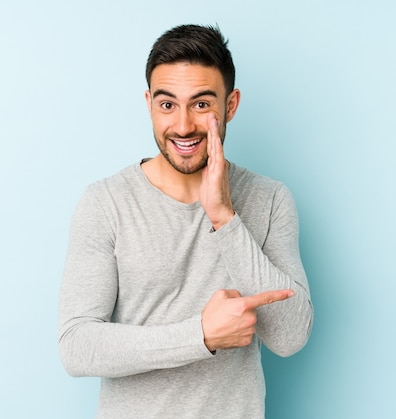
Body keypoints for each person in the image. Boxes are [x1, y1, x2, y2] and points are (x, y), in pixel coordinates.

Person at [58, 24, 313, 418]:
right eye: (167, 105)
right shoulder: (106, 202)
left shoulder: (270, 199)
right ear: (149, 103)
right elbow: (76, 345)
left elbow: (290, 335)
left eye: (201, 104)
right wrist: (200, 336)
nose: (182, 126)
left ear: (230, 105)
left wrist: (225, 218)